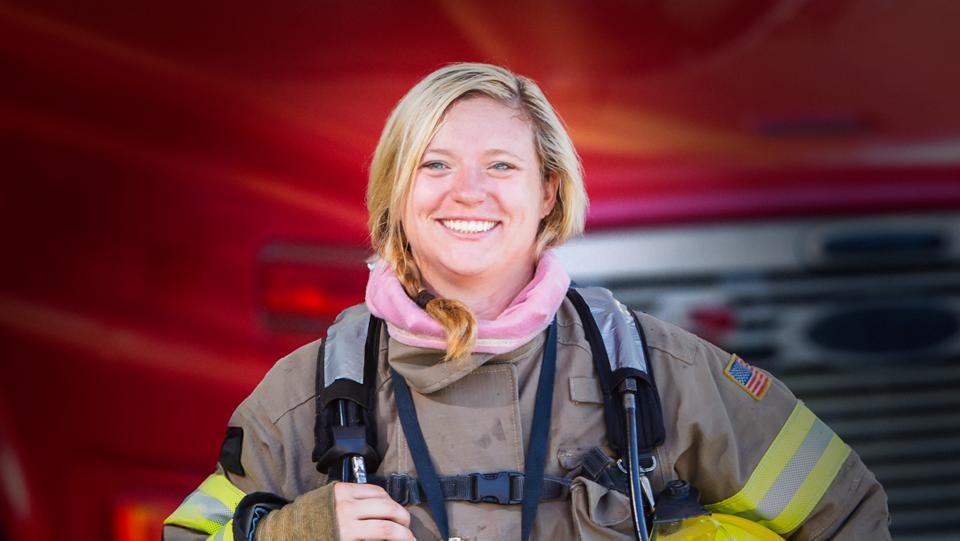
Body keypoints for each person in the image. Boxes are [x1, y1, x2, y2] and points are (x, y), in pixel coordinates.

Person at [162, 63, 890, 541]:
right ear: (395, 192)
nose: (468, 191)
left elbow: (847, 513)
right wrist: (298, 530)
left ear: (548, 190)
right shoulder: (311, 391)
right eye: (434, 164)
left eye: (501, 165)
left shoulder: (653, 371)